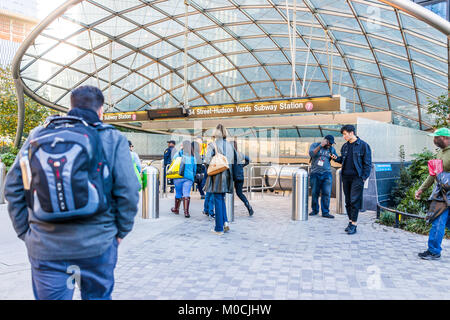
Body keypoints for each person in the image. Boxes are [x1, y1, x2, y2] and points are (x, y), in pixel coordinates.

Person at [4, 85, 140, 300]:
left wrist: (27, 234)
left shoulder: (38, 135)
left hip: (46, 245)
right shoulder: (112, 138)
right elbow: (128, 191)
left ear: (71, 106)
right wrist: (119, 233)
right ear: (101, 110)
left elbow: (12, 187)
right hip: (97, 243)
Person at [415, 127, 450, 260]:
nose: (434, 140)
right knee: (439, 220)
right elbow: (433, 174)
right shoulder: (440, 153)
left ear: (446, 138)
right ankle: (434, 250)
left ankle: (434, 251)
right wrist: (421, 189)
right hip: (442, 194)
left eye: (437, 138)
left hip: (447, 194)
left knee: (439, 220)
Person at [333, 125, 372, 235]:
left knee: (354, 201)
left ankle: (354, 224)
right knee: (348, 201)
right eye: (343, 134)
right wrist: (336, 158)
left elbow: (367, 164)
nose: (344, 136)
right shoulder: (345, 146)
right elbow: (344, 160)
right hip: (345, 177)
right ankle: (350, 222)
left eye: (345, 134)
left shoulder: (363, 145)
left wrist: (363, 178)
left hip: (357, 178)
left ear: (351, 133)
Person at [204, 124, 237, 235]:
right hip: (228, 175)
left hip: (217, 176)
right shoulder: (230, 146)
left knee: (217, 199)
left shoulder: (212, 145)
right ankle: (225, 222)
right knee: (221, 199)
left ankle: (219, 228)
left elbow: (207, 160)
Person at [308, 135, 339, 219]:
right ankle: (315, 210)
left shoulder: (331, 149)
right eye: (329, 143)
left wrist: (335, 157)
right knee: (315, 193)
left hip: (327, 174)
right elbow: (311, 154)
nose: (330, 145)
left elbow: (337, 158)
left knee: (326, 193)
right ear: (325, 141)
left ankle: (325, 212)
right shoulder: (315, 145)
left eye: (331, 144)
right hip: (315, 173)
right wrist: (320, 146)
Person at [170, 140, 197, 218]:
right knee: (186, 193)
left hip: (178, 176)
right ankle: (186, 212)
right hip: (188, 178)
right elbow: (194, 169)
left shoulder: (177, 154)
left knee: (178, 193)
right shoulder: (193, 157)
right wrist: (193, 176)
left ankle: (176, 209)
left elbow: (173, 163)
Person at [233, 140, 253, 216]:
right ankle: (248, 205)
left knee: (225, 193)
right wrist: (242, 165)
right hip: (241, 176)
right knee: (239, 193)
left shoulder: (231, 155)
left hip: (233, 177)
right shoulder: (240, 154)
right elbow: (249, 159)